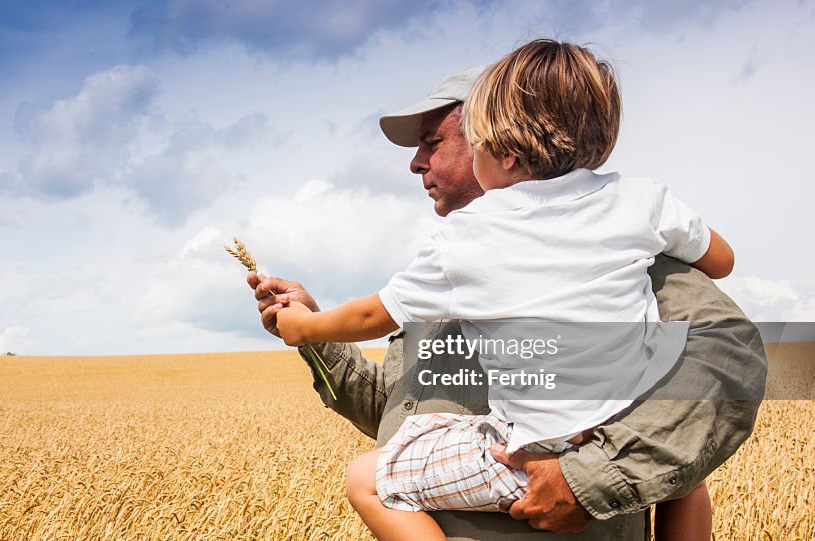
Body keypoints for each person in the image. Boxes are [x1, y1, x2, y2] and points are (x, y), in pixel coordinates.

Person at [247, 63, 765, 540]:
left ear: (500, 142)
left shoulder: (628, 257)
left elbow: (727, 359)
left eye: (434, 141)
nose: (415, 162)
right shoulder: (450, 264)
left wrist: (588, 478)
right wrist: (312, 331)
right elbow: (397, 409)